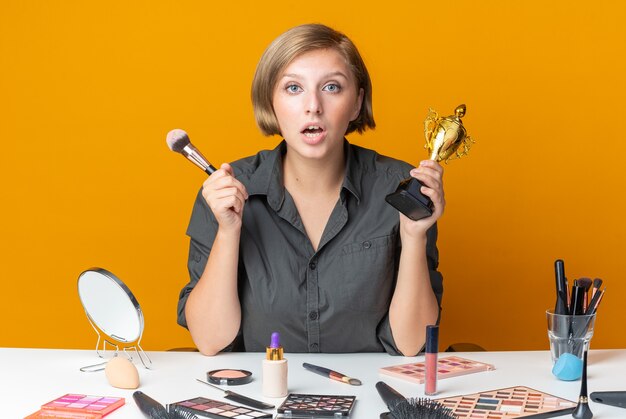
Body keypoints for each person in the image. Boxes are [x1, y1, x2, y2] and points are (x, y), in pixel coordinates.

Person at [177, 23, 444, 356]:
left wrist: (415, 235)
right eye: (293, 88)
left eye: (332, 87)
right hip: (264, 394)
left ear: (357, 103)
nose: (313, 106)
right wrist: (228, 232)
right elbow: (209, 340)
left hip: (370, 394)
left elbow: (410, 344)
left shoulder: (399, 187)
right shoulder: (226, 191)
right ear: (270, 101)